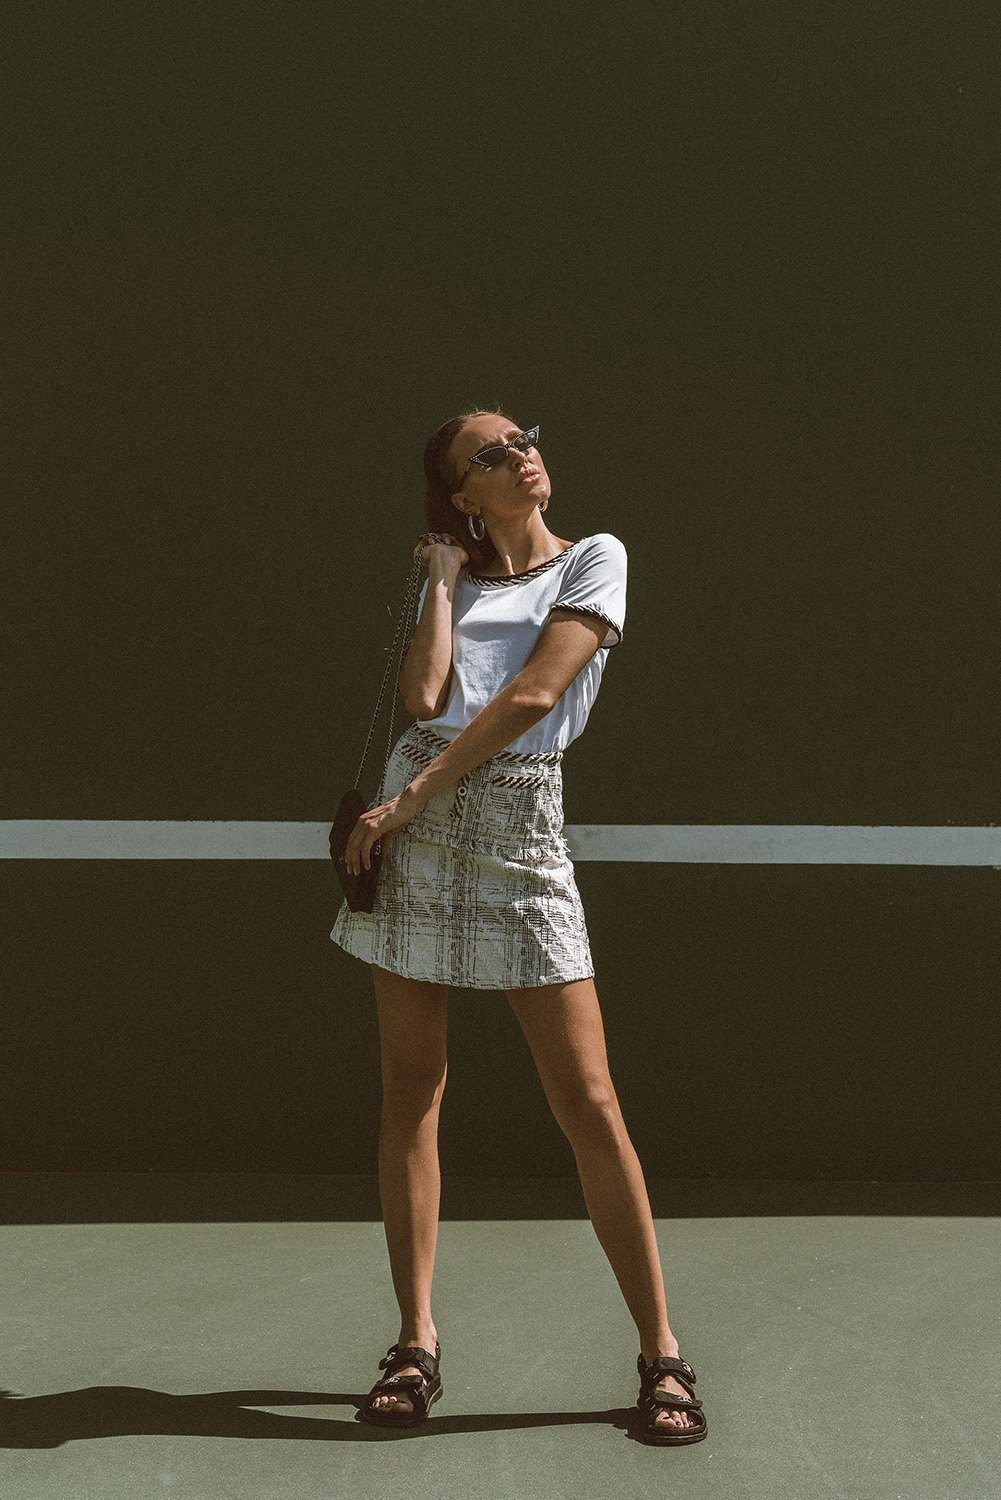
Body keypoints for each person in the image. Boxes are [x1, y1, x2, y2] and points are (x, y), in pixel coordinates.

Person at [329, 409, 707, 1445]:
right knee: (411, 1086)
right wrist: (442, 583)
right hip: (412, 827)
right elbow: (423, 697)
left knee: (587, 1099)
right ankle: (415, 1344)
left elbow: (538, 695)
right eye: (490, 454)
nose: (521, 452)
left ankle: (662, 1354)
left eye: (522, 437)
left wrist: (408, 804)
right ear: (462, 495)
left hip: (512, 823)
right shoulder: (452, 578)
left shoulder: (593, 558)